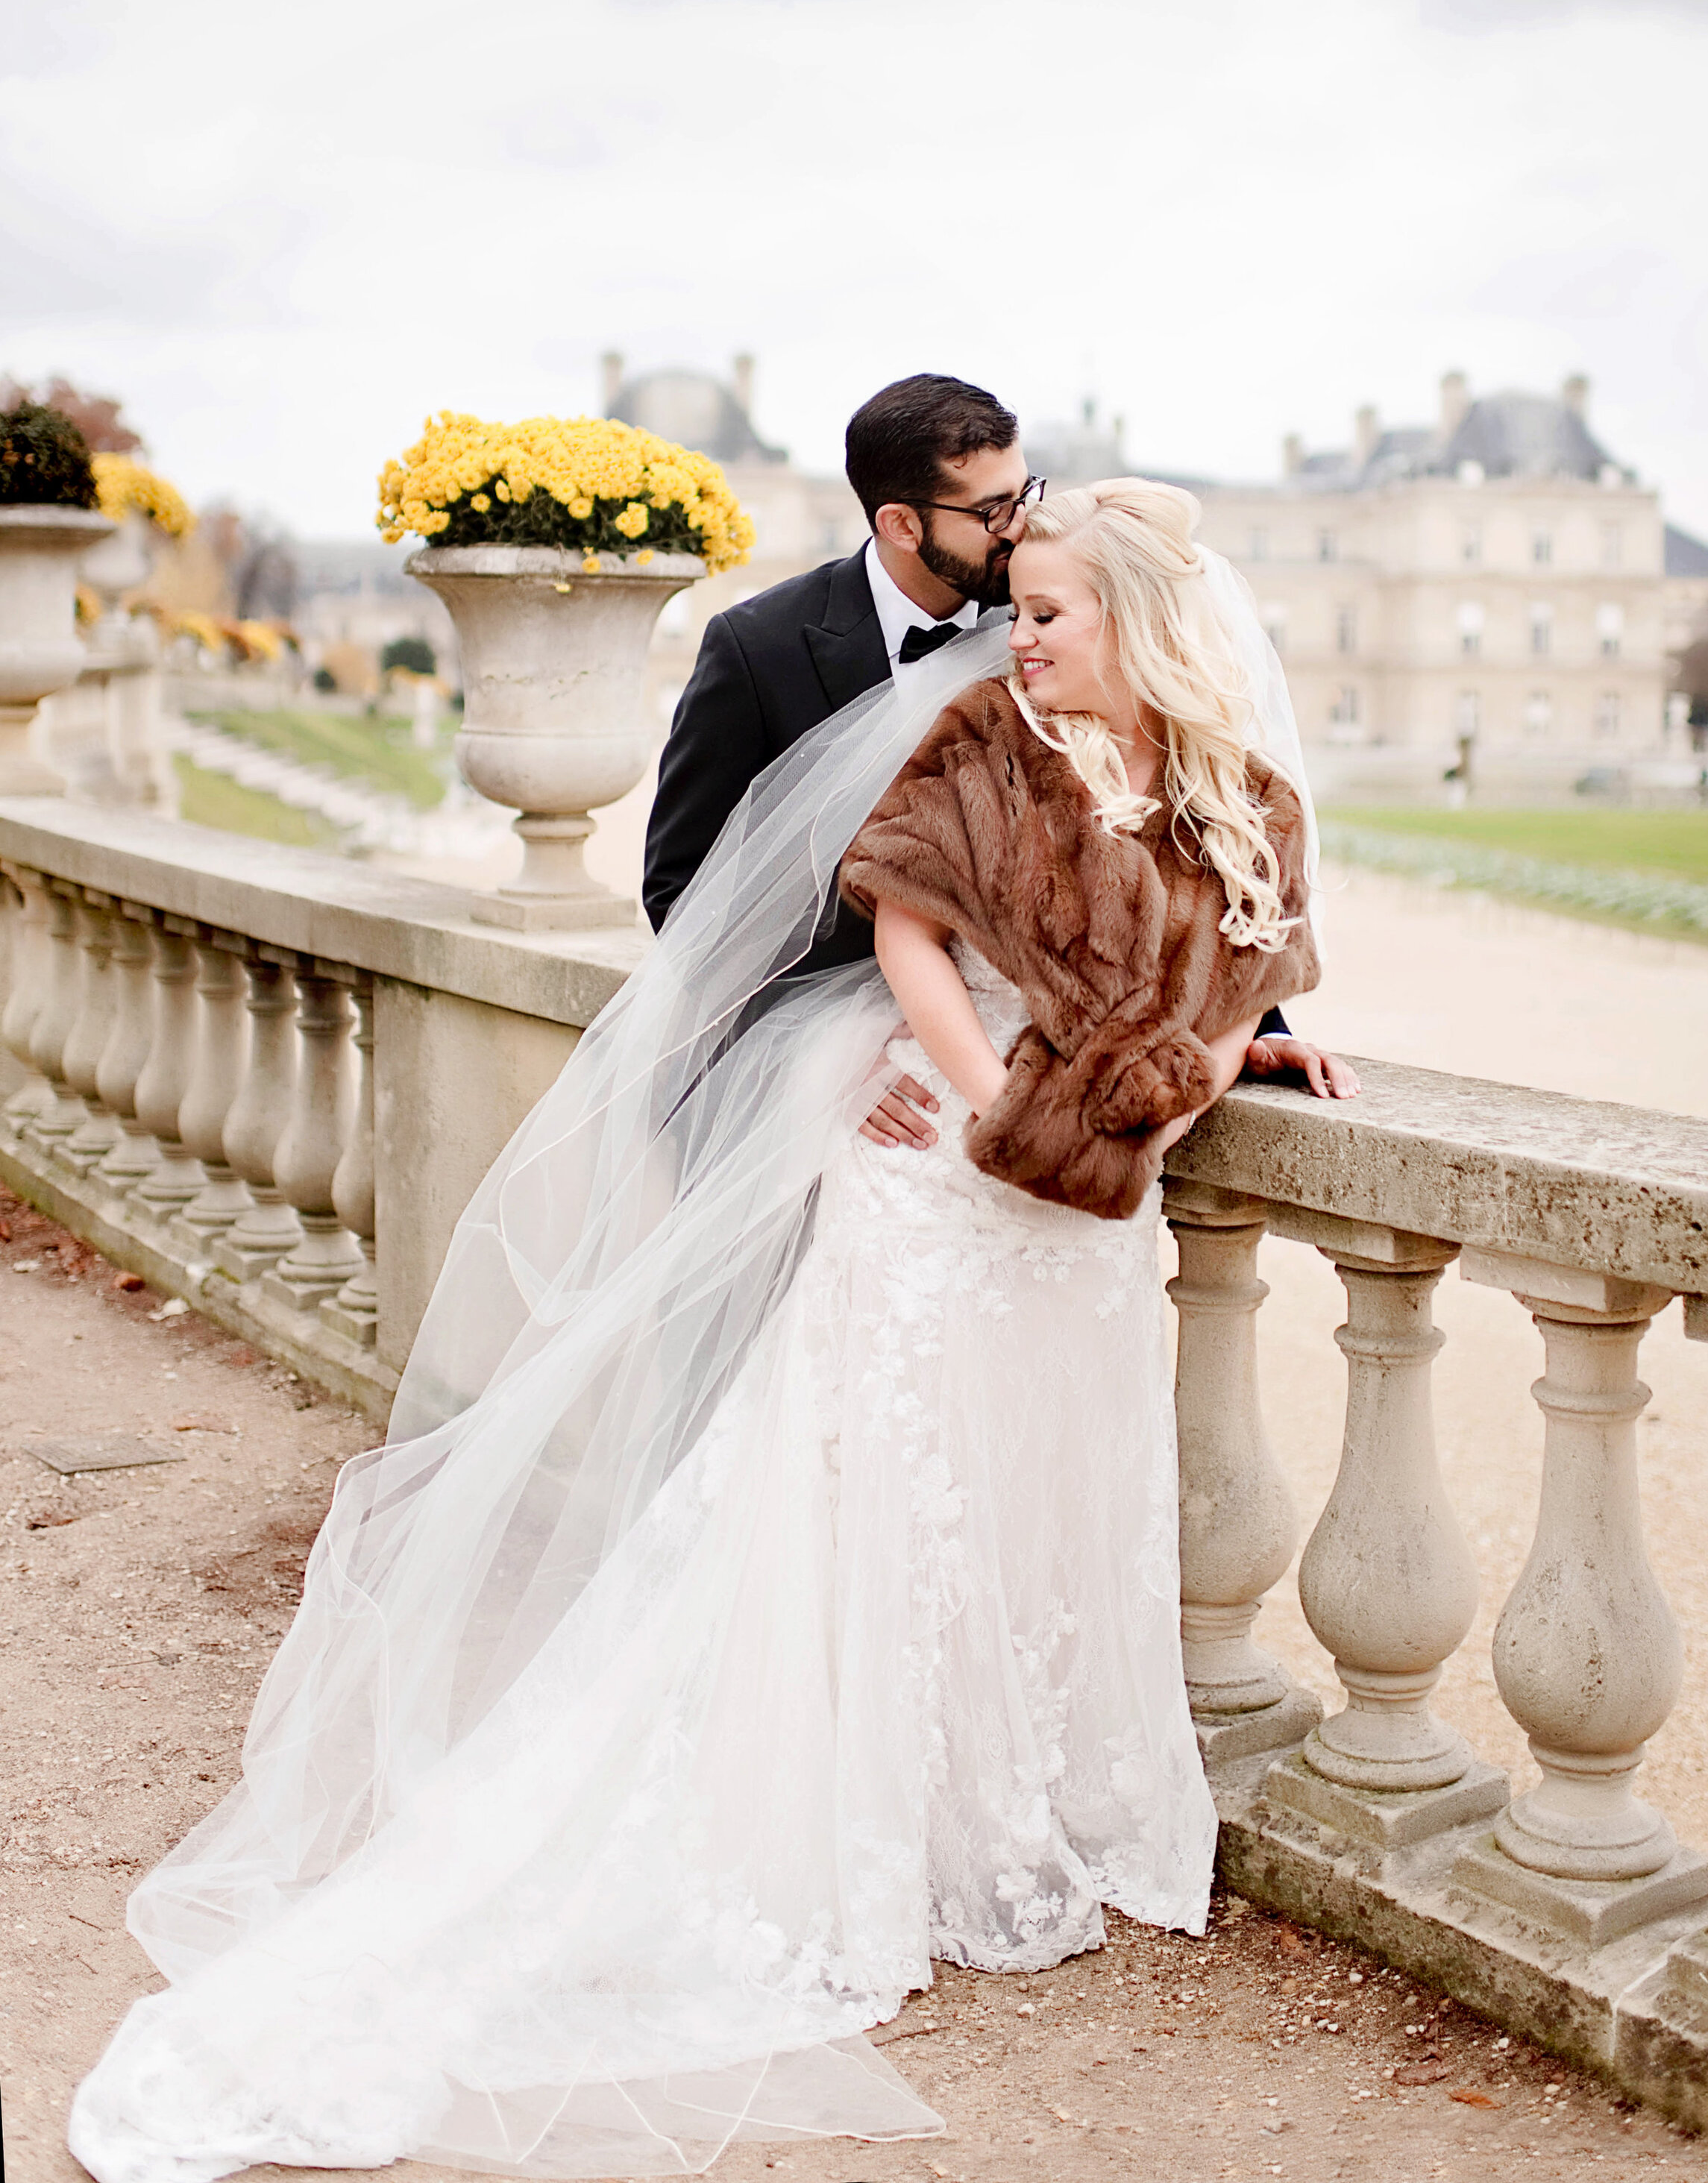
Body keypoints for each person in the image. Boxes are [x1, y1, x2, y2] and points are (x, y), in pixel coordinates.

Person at [71, 478, 1356, 2183]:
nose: (1020, 634)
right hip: (931, 1171)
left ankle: (1002, 1817)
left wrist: (1235, 1051)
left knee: (1033, 1499)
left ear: (1146, 622)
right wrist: (990, 1112)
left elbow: (1220, 978)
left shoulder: (1243, 797)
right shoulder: (986, 734)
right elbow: (905, 925)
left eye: (1052, 608)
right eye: (1018, 603)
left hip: (1086, 1222)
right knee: (878, 1499)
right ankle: (857, 1833)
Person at [644, 370, 1320, 1147]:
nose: (1019, 524)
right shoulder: (756, 649)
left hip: (1024, 1062)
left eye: (1024, 490)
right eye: (993, 510)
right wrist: (813, 1050)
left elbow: (1178, 811)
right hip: (831, 1085)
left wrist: (1258, 1020)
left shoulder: (1051, 615)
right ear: (901, 524)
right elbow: (681, 890)